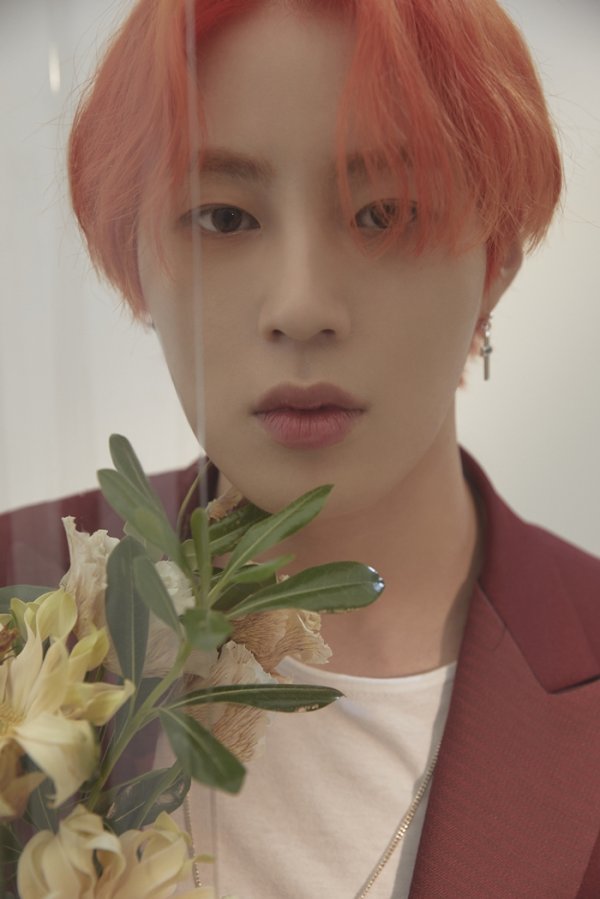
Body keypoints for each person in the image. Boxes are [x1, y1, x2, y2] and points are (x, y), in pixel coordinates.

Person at [2, 0, 600, 896]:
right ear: (137, 256)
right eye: (222, 217)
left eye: (385, 211)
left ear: (498, 256)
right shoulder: (20, 600)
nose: (301, 306)